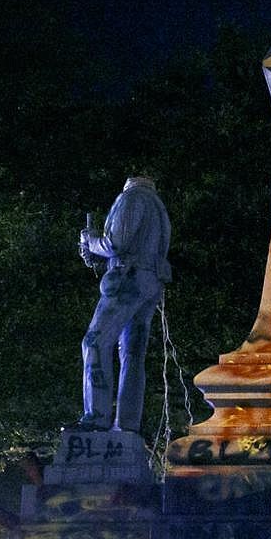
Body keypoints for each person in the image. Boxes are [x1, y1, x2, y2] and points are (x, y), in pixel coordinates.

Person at [68, 176, 172, 432]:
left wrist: (91, 241)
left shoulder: (132, 198)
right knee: (132, 354)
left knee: (94, 342)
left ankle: (96, 417)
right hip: (150, 283)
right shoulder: (158, 208)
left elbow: (115, 243)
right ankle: (127, 423)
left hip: (128, 281)